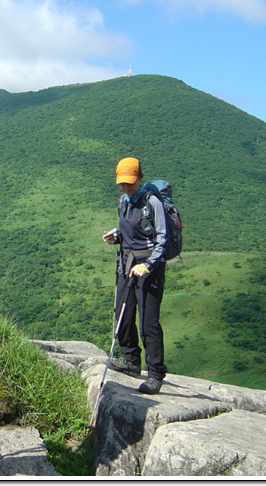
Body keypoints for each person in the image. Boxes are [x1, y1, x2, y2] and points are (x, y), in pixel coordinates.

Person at [103, 157, 168, 395]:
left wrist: (148, 265)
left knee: (148, 321)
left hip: (149, 268)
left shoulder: (152, 202)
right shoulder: (123, 201)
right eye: (122, 182)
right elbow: (130, 233)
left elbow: (162, 238)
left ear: (140, 178)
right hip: (126, 263)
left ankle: (155, 374)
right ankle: (130, 361)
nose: (126, 186)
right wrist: (116, 237)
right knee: (122, 312)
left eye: (130, 182)